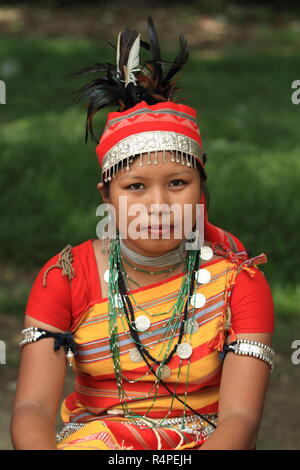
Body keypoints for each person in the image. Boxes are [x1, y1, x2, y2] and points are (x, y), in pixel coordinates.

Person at [11, 17, 275, 450]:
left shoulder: (239, 286)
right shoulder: (66, 277)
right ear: (107, 196)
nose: (158, 204)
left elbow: (239, 421)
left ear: (202, 192)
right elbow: (33, 410)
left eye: (178, 183)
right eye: (135, 187)